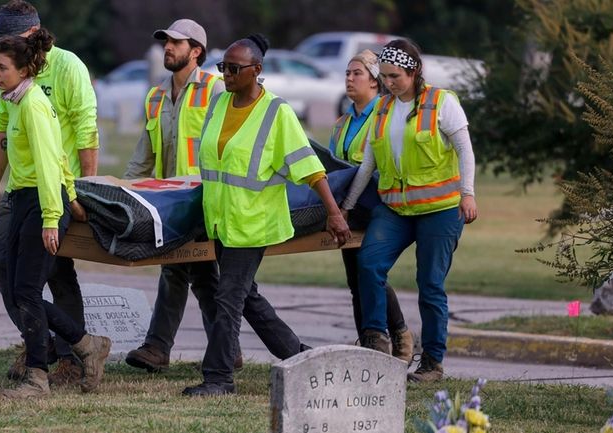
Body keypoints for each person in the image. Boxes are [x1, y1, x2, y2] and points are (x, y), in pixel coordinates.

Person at [183, 34, 351, 397]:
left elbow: (309, 167)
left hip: (253, 224)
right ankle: (298, 356)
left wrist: (334, 213)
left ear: (257, 71)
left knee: (228, 298)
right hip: (221, 220)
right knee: (247, 298)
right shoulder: (218, 104)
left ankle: (219, 378)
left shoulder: (277, 112)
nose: (225, 74)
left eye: (233, 68)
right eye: (222, 67)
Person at [341, 39, 478, 382]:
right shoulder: (383, 109)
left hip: (440, 210)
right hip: (396, 209)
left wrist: (468, 194)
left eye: (395, 76)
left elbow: (465, 151)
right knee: (368, 263)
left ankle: (432, 363)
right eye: (384, 76)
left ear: (414, 71)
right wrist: (345, 206)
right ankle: (376, 341)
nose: (388, 83)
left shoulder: (441, 103)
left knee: (430, 284)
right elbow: (368, 164)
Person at [0, 0, 99, 385]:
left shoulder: (65, 69)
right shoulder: (12, 87)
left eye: (10, 44)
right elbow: (3, 133)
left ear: (32, 36)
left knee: (54, 274)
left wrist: (84, 192)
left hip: (55, 192)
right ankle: (41, 341)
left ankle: (70, 356)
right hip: (22, 189)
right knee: (1, 257)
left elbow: (85, 131)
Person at [122, 19, 230, 373]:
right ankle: (225, 347)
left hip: (202, 198)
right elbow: (144, 153)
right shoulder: (155, 95)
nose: (168, 47)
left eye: (176, 42)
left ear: (195, 51)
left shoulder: (216, 90)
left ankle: (158, 347)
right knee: (198, 274)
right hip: (168, 203)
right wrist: (124, 193)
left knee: (176, 270)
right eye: (166, 41)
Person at [328, 50, 413, 364]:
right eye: (347, 73)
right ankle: (370, 339)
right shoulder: (341, 123)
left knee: (369, 272)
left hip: (379, 205)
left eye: (357, 73)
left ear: (376, 82)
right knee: (356, 278)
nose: (349, 79)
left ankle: (396, 336)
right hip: (348, 208)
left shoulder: (388, 116)